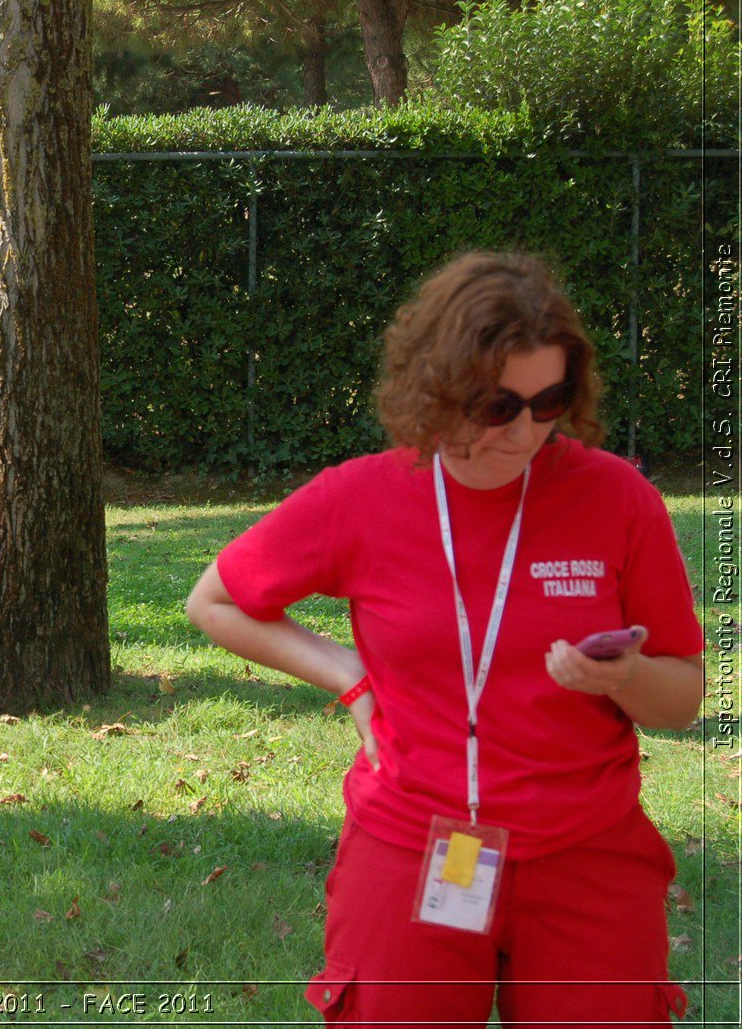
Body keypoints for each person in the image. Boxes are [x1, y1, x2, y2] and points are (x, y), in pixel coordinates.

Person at [185, 252, 702, 1025]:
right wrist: (350, 677)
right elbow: (216, 600)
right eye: (498, 407)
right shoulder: (362, 496)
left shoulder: (617, 499)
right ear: (438, 390)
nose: (526, 431)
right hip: (414, 840)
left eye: (550, 400)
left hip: (586, 852)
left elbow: (684, 697)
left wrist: (623, 676)